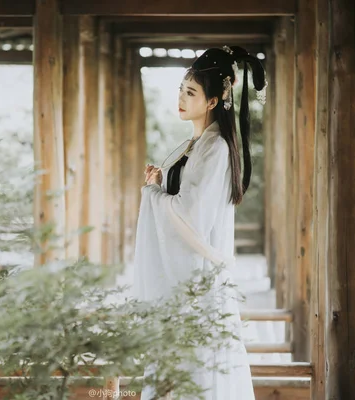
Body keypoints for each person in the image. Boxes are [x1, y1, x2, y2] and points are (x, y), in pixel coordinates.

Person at [132, 45, 267, 399]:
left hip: (198, 284)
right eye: (180, 89)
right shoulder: (195, 144)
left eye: (190, 92)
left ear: (211, 102)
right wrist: (161, 184)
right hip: (185, 280)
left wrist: (152, 194)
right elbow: (184, 203)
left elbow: (190, 216)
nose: (180, 97)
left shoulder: (216, 148)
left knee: (197, 372)